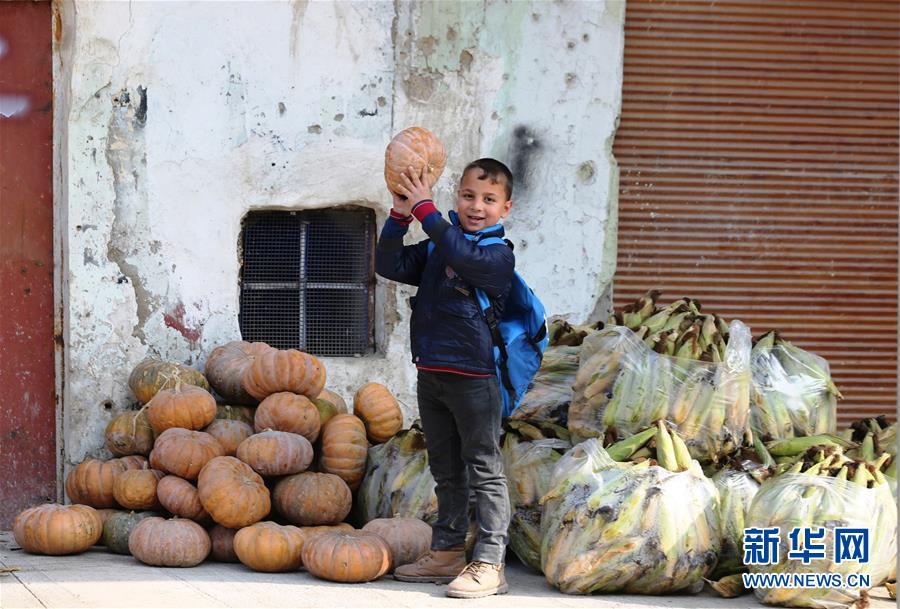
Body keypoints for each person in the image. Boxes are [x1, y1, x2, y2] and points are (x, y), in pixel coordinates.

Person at [375, 158, 516, 598]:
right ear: (458, 196)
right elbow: (389, 264)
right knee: (446, 471)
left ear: (505, 208)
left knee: (484, 469)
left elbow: (463, 255)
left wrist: (426, 211)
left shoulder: (497, 256)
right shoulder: (439, 246)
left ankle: (490, 563)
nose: (476, 206)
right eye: (469, 196)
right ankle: (448, 551)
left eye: (489, 199)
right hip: (432, 373)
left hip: (474, 380)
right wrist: (400, 215)